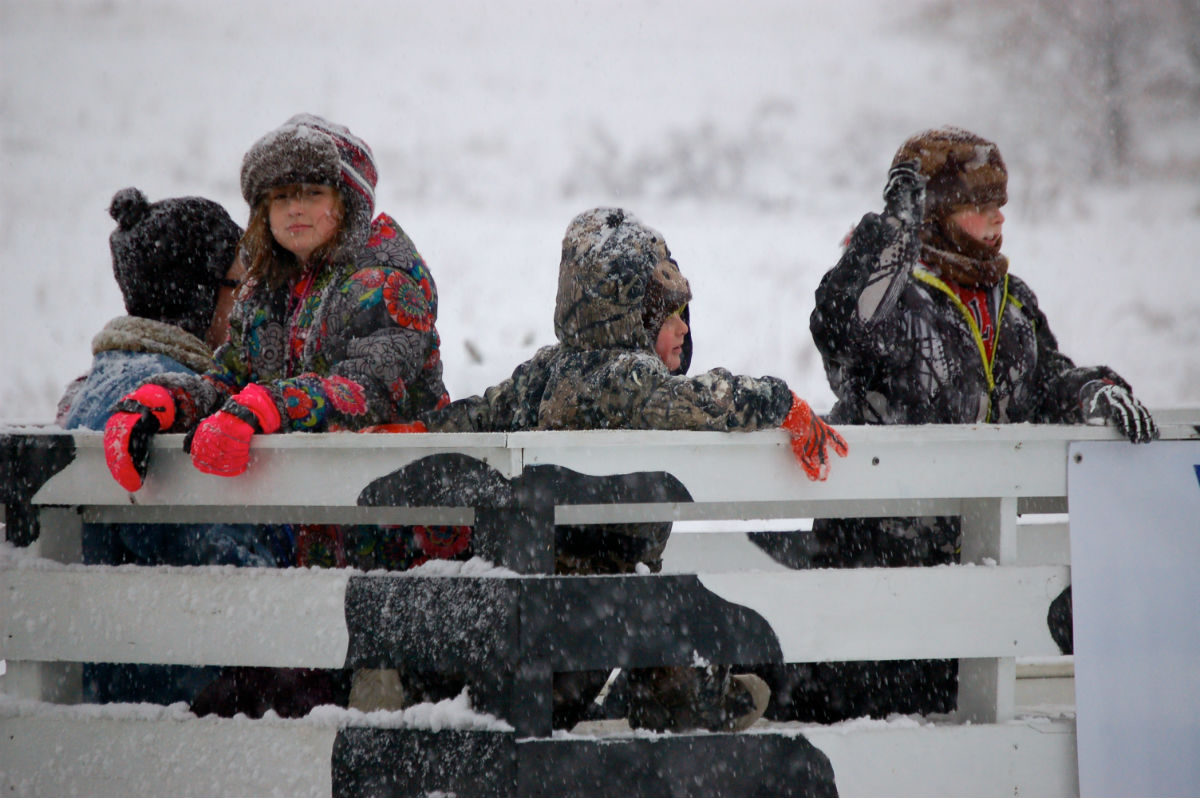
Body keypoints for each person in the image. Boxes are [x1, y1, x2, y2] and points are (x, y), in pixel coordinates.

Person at [773, 125, 1157, 722]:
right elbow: (841, 324)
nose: (997, 220)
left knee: (965, 745)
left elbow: (1045, 382)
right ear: (936, 213)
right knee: (875, 752)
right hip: (875, 582)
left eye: (999, 204)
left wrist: (1093, 392)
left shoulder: (1011, 300)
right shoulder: (893, 298)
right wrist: (891, 232)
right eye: (979, 206)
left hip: (975, 578)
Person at [421, 207, 849, 733]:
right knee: (649, 610)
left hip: (548, 590)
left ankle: (670, 690)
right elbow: (702, 402)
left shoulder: (548, 370)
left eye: (684, 314)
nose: (682, 329)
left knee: (630, 619)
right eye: (666, 318)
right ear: (627, 323)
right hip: (588, 598)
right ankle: (678, 695)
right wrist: (779, 399)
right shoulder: (626, 377)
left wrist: (421, 430)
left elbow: (484, 411)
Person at [101, 114, 453, 717]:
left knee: (391, 724)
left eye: (312, 193)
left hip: (405, 548)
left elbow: (369, 390)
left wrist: (269, 406)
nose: (295, 209)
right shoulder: (269, 286)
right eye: (280, 197)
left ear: (348, 198)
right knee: (277, 717)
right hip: (318, 554)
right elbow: (231, 377)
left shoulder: (386, 275)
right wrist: (165, 403)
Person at [56, 186, 289, 704]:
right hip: (173, 699)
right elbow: (226, 572)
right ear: (198, 295)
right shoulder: (156, 406)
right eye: (239, 285)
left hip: (102, 684)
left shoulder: (94, 389)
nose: (248, 301)